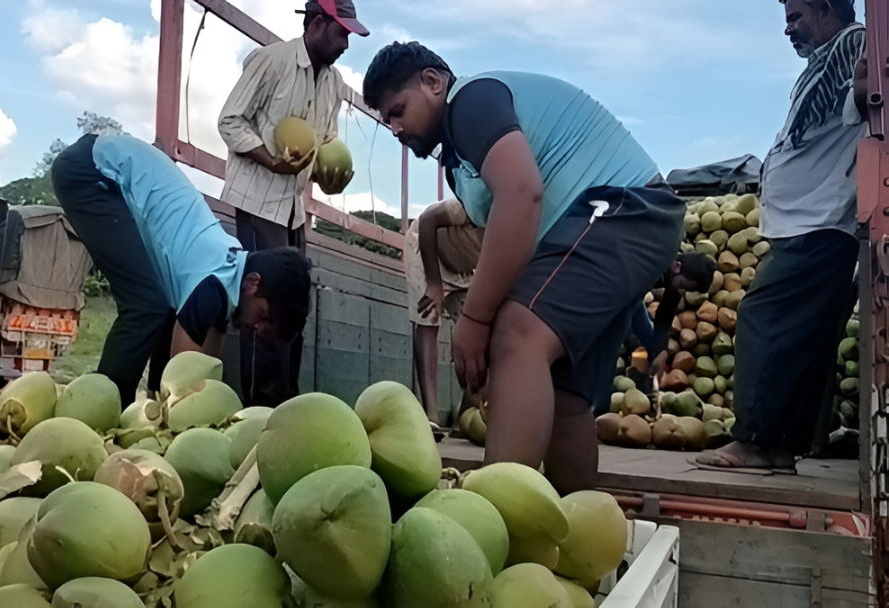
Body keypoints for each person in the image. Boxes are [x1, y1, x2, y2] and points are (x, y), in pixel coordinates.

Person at [363, 42, 686, 495]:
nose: (395, 128)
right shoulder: (461, 163)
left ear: (433, 82)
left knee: (518, 335)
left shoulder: (470, 103)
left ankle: (494, 518)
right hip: (612, 224)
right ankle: (573, 526)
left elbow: (522, 194)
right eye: (387, 120)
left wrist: (476, 320)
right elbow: (518, 242)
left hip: (625, 207)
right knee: (564, 395)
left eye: (398, 110)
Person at [697, 0, 866, 473]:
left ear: (827, 9)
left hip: (819, 222)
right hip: (810, 223)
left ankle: (753, 440)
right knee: (804, 340)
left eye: (796, 17)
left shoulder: (850, 43)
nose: (789, 29)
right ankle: (780, 446)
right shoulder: (824, 59)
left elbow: (863, 86)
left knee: (761, 317)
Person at [51, 133, 312, 407]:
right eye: (265, 318)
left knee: (161, 308)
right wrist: (176, 410)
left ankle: (130, 404)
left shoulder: (229, 274)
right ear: (253, 284)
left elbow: (206, 367)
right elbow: (180, 379)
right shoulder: (213, 282)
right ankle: (101, 408)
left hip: (106, 167)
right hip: (91, 171)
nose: (258, 328)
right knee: (146, 306)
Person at [218, 0, 368, 408]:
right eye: (342, 33)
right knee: (264, 308)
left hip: (294, 209)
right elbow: (230, 120)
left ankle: (287, 401)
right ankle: (259, 407)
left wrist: (329, 175)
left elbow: (324, 144)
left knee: (293, 307)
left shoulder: (334, 84)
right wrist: (270, 160)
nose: (346, 44)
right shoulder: (272, 61)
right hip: (258, 199)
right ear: (318, 23)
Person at [591, 252, 717, 416]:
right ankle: (599, 410)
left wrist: (662, 350)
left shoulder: (675, 279)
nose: (680, 289)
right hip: (611, 292)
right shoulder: (654, 263)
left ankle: (645, 396)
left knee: (653, 345)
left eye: (685, 289)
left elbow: (664, 315)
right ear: (676, 266)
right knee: (610, 348)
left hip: (633, 298)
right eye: (683, 285)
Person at [407, 198, 484, 428]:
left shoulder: (524, 227)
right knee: (428, 318)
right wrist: (433, 283)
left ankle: (466, 415)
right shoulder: (476, 202)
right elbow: (429, 219)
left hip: (466, 269)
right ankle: (431, 415)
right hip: (427, 250)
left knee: (479, 336)